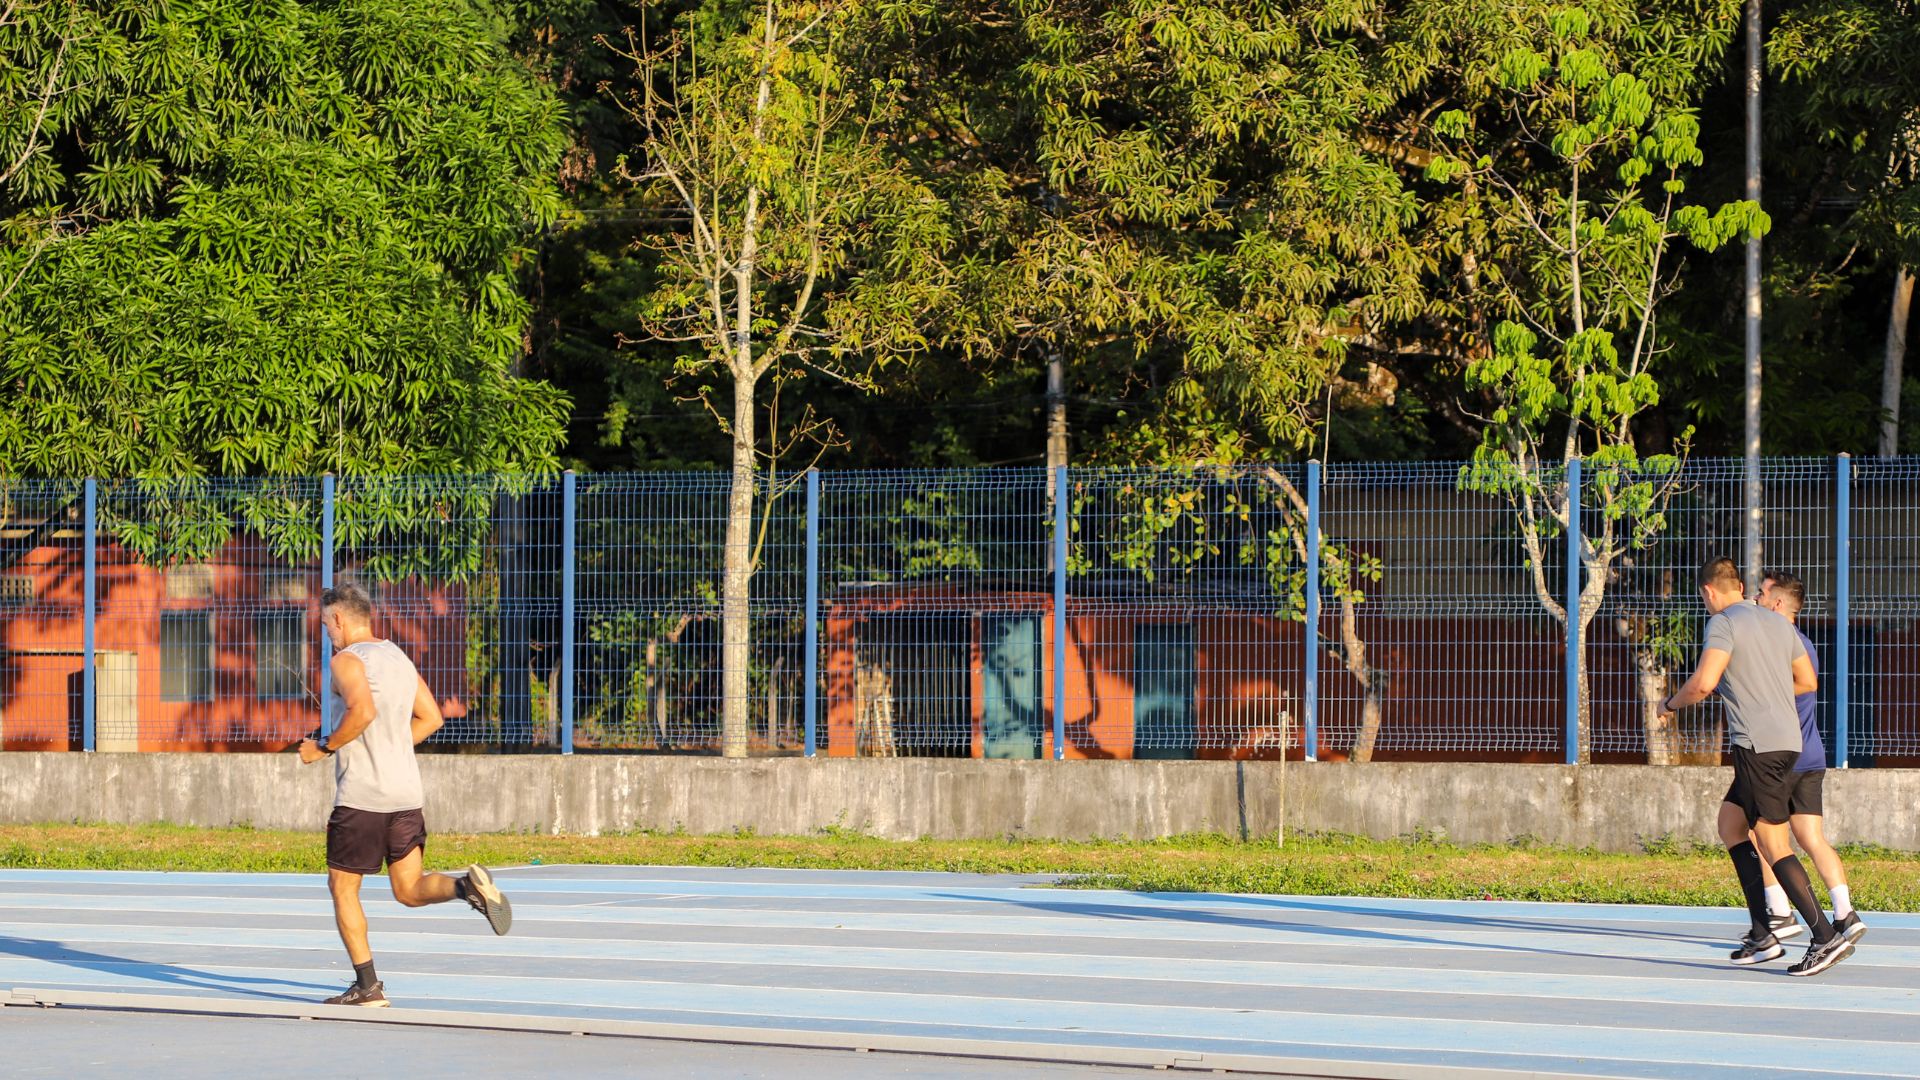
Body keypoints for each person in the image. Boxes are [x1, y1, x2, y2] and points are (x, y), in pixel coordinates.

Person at [298, 584, 513, 1007]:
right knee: (408, 888)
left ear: (339, 618)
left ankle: (368, 987)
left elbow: (362, 712)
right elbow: (431, 717)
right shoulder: (396, 655)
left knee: (342, 888)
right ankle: (465, 888)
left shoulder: (346, 661)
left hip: (362, 796)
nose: (327, 635)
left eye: (326, 625)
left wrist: (324, 747)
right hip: (405, 793)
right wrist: (391, 745)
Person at [1659, 558, 1852, 976]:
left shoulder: (1724, 622)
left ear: (1709, 592)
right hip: (1787, 742)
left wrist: (1669, 704)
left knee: (1773, 843)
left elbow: (1704, 683)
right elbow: (1807, 681)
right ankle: (1763, 935)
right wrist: (1768, 695)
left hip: (1758, 746)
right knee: (1731, 825)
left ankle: (1824, 936)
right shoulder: (1776, 622)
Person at [1752, 569, 1865, 944]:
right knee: (1812, 838)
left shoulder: (1777, 644)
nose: (1756, 598)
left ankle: (1781, 913)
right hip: (1811, 754)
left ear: (1778, 602)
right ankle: (1845, 911)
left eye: (1762, 593)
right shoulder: (1804, 643)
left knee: (1762, 836)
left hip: (1783, 757)